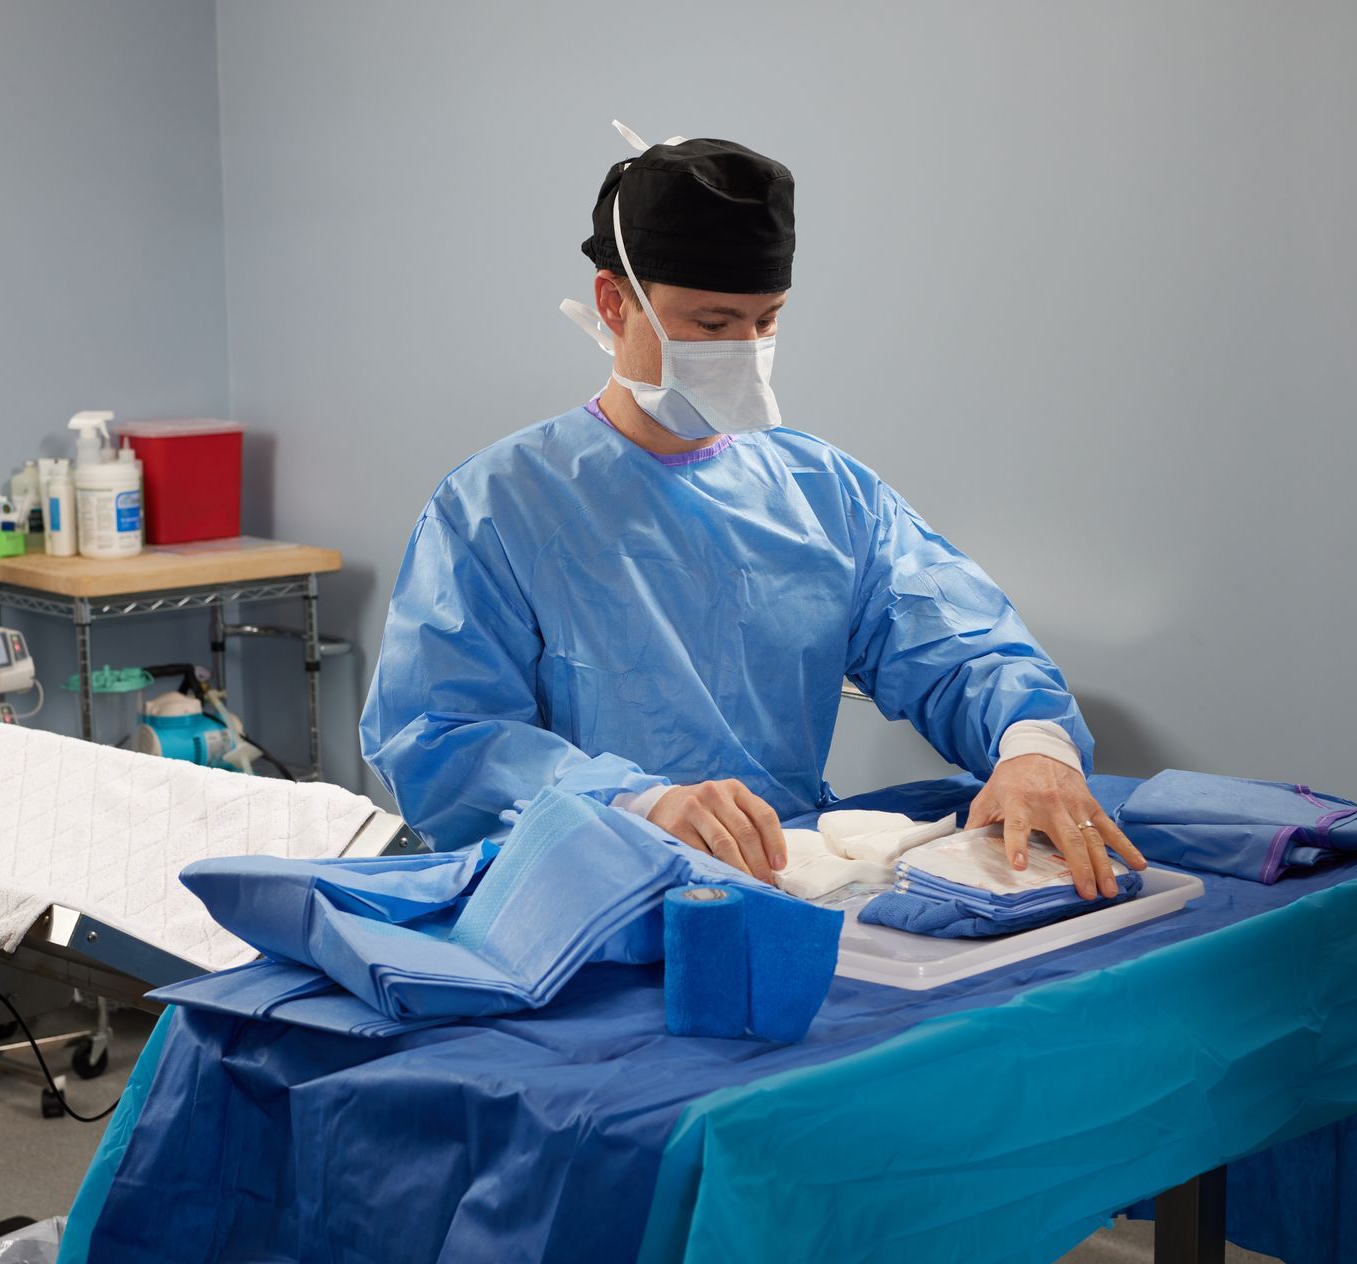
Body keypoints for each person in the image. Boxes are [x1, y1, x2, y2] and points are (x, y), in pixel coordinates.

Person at [362, 128, 1144, 900]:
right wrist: (639, 804)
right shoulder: (499, 506)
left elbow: (960, 647)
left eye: (765, 321)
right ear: (614, 302)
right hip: (587, 900)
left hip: (792, 888)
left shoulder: (825, 494)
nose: (743, 347)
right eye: (711, 325)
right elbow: (445, 741)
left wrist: (1033, 746)